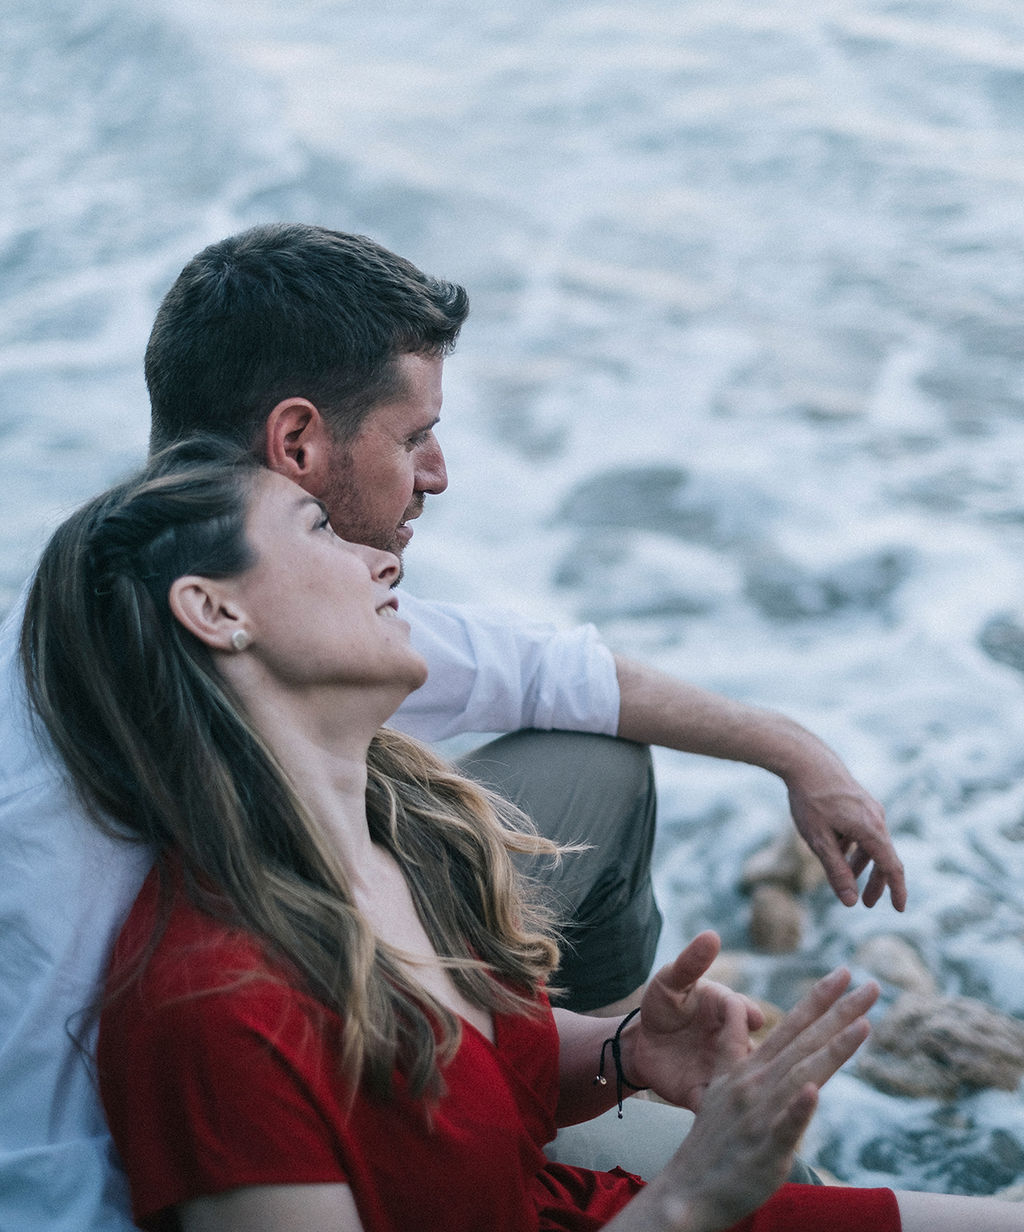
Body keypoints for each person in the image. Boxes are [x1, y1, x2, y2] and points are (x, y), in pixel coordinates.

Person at [0, 222, 906, 1231]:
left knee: (583, 766)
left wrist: (793, 750)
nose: (436, 475)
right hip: (182, 1156)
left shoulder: (250, 620)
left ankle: (546, 1084)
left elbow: (547, 671)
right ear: (297, 445)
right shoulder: (81, 827)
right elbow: (49, 1157)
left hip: (335, 1007)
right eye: (412, 435)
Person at [19, 441, 1023, 1232]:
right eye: (319, 528)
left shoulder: (402, 829)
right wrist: (689, 1199)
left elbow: (461, 1107)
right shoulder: (213, 1009)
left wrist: (626, 1056)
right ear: (214, 609)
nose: (381, 555)